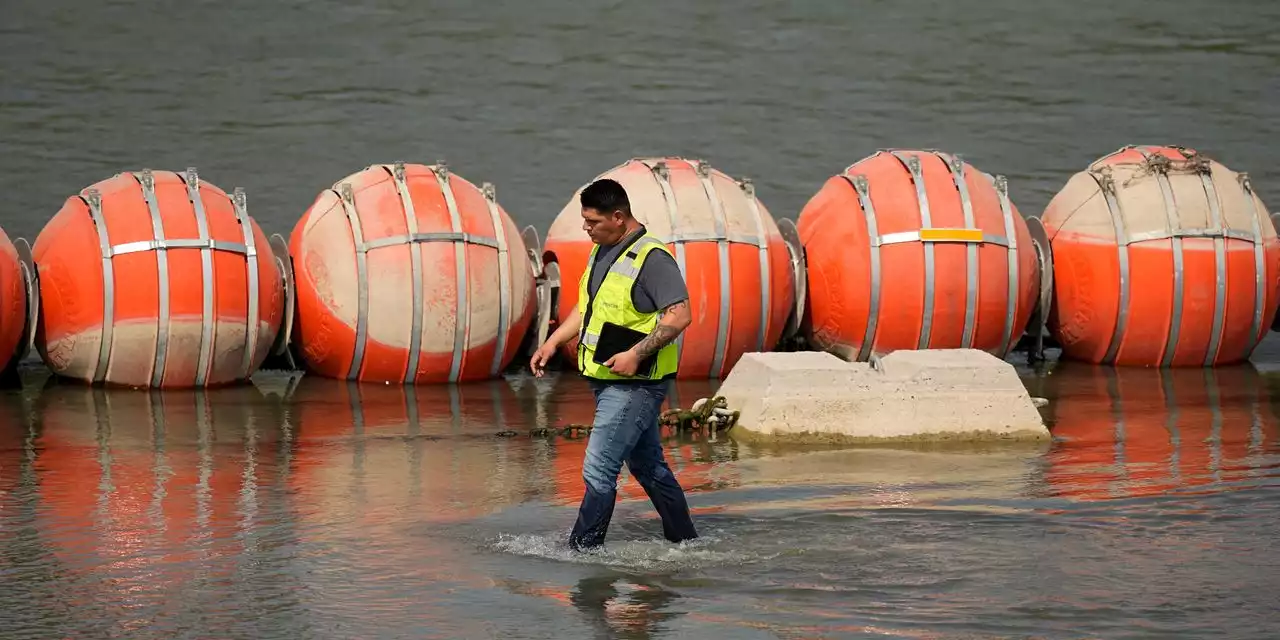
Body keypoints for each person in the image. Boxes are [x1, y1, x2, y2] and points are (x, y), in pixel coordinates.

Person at [530, 178, 699, 551]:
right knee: (648, 467)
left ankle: (583, 552)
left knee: (599, 468)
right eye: (584, 220)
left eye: (592, 221)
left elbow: (680, 315)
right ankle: (685, 542)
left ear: (618, 217)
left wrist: (636, 353)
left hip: (636, 384)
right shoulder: (602, 249)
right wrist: (554, 342)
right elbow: (587, 307)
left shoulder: (653, 259)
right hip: (605, 379)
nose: (586, 228)